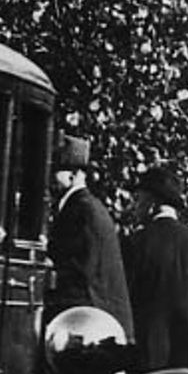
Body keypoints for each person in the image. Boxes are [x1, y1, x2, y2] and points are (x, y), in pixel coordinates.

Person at [48, 133, 135, 335]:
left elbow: (81, 274)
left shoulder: (83, 211)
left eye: (56, 170)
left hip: (93, 325)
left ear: (74, 174)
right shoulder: (82, 206)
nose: (50, 177)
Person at [124, 163, 188, 374]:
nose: (134, 206)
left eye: (138, 199)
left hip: (147, 358)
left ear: (152, 202)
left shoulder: (135, 244)